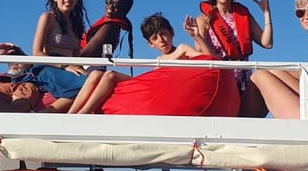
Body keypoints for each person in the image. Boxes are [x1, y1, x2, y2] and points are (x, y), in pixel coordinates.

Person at [67, 13, 208, 114]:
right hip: (154, 85)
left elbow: (207, 59)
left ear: (171, 33)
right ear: (150, 44)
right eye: (155, 38)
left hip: (162, 88)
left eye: (163, 34)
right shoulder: (158, 60)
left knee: (110, 75)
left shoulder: (182, 49)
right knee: (96, 74)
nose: (161, 39)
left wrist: (197, 37)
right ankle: (71, 114)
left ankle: (84, 112)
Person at [191, 0, 272, 116]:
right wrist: (196, 36)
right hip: (219, 79)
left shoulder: (243, 14)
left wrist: (266, 12)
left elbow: (267, 43)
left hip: (244, 80)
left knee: (246, 121)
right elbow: (198, 52)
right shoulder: (202, 19)